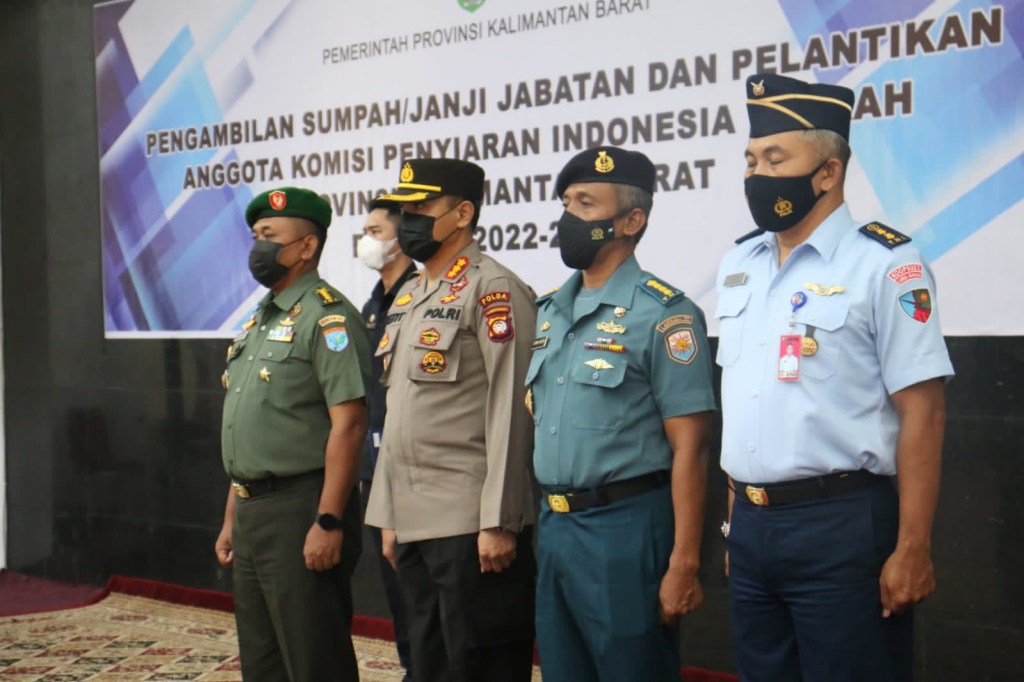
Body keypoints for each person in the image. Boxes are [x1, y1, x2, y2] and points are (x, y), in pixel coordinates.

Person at [716, 73, 954, 681]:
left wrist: (913, 546)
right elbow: (745, 403)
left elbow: (923, 412)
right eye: (750, 160)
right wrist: (736, 522)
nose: (757, 174)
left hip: (840, 526)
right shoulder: (739, 263)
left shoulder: (886, 264)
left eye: (775, 159)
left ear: (828, 172)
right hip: (752, 528)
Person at [527, 146, 716, 680]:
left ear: (631, 221)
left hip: (625, 529)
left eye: (586, 204)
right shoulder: (548, 312)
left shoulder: (665, 314)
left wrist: (684, 562)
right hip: (556, 526)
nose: (569, 216)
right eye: (567, 202)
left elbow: (692, 448)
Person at [364, 158, 538, 682]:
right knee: (428, 665)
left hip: (469, 524)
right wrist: (388, 513)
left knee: (479, 666)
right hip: (411, 520)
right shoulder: (410, 294)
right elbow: (396, 412)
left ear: (462, 214)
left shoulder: (494, 289)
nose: (408, 220)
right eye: (404, 210)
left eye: (421, 207)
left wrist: (499, 520)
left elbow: (512, 409)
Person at [215, 186, 370, 681]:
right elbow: (252, 429)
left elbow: (349, 425)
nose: (257, 246)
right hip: (252, 511)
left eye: (269, 235)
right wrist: (232, 516)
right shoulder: (259, 320)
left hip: (300, 508)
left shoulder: (328, 317)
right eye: (255, 236)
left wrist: (328, 520)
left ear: (306, 247)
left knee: (313, 658)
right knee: (263, 662)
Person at [355, 198, 418, 680]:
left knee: (417, 590)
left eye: (375, 231)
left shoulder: (419, 295)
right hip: (374, 469)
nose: (366, 240)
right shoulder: (372, 303)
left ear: (400, 238)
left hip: (412, 469)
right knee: (396, 591)